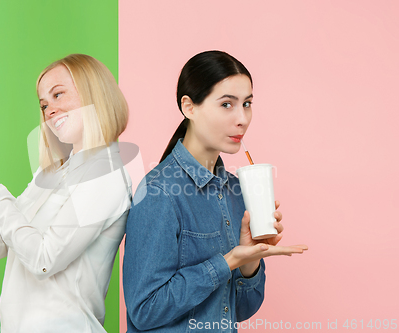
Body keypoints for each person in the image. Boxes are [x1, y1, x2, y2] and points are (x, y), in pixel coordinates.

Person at [0, 54, 132, 333]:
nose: (49, 110)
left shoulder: (106, 174)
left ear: (94, 92)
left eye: (58, 95)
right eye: (44, 104)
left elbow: (43, 260)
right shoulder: (50, 173)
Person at [123, 50, 308, 332]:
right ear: (189, 107)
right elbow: (144, 310)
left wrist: (250, 261)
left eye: (247, 104)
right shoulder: (159, 192)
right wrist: (228, 261)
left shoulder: (237, 191)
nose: (242, 119)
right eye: (226, 104)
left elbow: (242, 310)